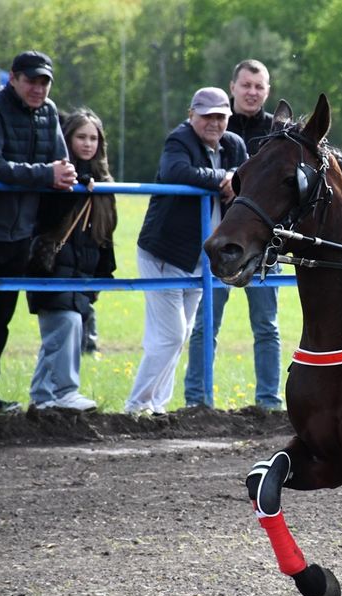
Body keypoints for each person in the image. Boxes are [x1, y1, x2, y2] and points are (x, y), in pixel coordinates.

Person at [125, 87, 246, 415]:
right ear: (191, 114)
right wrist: (225, 177)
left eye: (220, 116)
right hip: (164, 253)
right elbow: (175, 172)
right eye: (206, 115)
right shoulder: (179, 140)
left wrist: (235, 178)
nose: (213, 122)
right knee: (171, 336)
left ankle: (157, 406)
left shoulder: (234, 145)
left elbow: (249, 179)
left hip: (199, 257)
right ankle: (136, 406)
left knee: (175, 336)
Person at [183, 60, 282, 410]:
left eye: (259, 86)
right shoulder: (217, 124)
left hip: (266, 246)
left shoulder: (277, 131)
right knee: (206, 322)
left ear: (267, 91)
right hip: (222, 242)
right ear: (233, 86)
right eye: (246, 85)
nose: (252, 92)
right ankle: (197, 401)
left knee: (266, 326)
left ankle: (268, 402)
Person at [0, 50, 76, 413]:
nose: (38, 88)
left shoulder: (48, 112)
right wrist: (47, 175)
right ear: (13, 78)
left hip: (19, 234)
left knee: (0, 321)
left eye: (44, 81)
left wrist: (70, 175)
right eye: (31, 80)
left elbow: (61, 161)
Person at [26, 108, 117, 411]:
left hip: (83, 272)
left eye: (93, 138)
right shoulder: (55, 177)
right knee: (64, 324)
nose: (88, 143)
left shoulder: (104, 184)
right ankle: (60, 392)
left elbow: (106, 238)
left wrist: (102, 278)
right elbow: (47, 217)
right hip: (53, 267)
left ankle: (44, 397)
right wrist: (76, 185)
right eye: (81, 137)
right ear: (68, 138)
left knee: (69, 329)